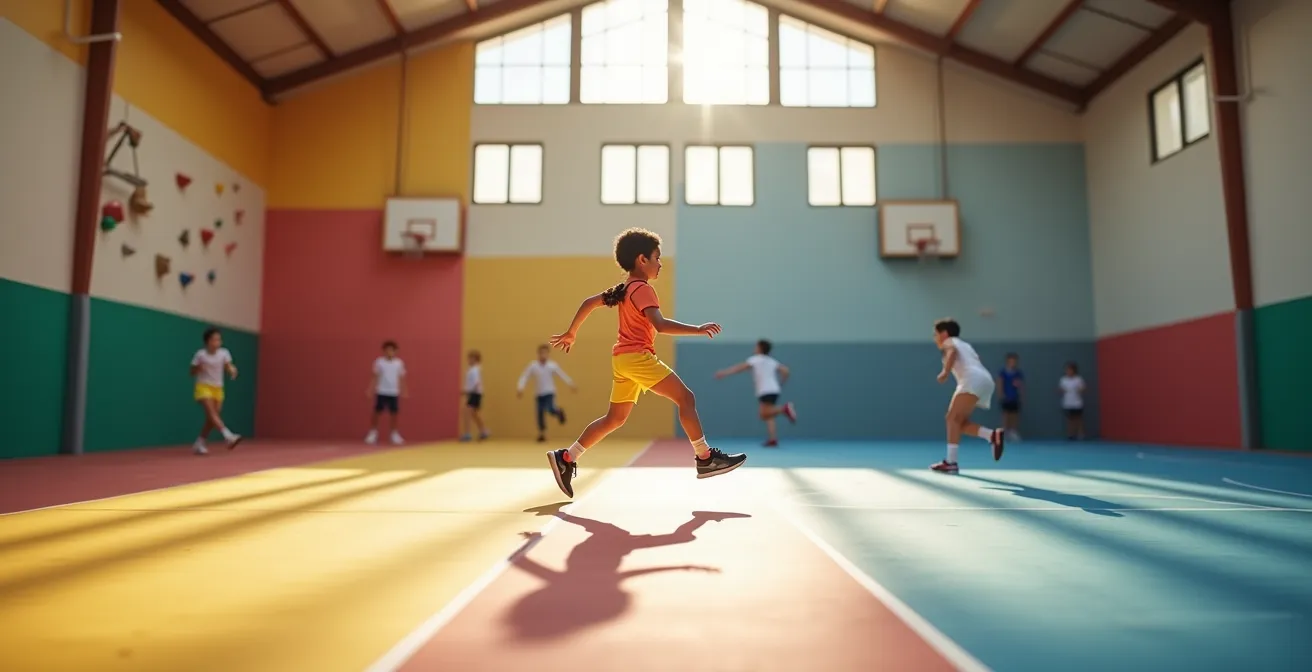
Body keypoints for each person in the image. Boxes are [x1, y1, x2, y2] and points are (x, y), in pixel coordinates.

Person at [544, 227, 747, 498]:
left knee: (615, 418)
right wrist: (697, 329)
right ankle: (705, 457)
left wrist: (572, 332)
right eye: (657, 257)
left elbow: (589, 302)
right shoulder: (642, 289)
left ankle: (567, 458)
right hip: (638, 358)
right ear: (642, 260)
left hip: (622, 360)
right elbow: (660, 326)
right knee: (686, 398)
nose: (660, 263)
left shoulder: (624, 288)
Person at [930, 318, 1004, 474]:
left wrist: (944, 372)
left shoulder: (949, 342)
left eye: (936, 334)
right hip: (984, 380)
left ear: (944, 333)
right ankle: (992, 436)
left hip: (972, 379)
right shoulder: (965, 345)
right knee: (958, 423)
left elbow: (952, 352)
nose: (934, 337)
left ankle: (951, 462)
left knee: (951, 418)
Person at [714, 339, 796, 446]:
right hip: (774, 389)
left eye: (756, 346)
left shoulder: (755, 359)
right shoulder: (771, 361)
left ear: (760, 348)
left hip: (765, 390)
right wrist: (781, 383)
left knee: (763, 414)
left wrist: (724, 373)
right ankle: (773, 439)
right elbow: (786, 371)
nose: (754, 348)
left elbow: (740, 367)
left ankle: (784, 409)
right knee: (769, 414)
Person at [190, 327, 242, 455]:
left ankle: (199, 442)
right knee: (212, 414)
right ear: (208, 341)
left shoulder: (224, 353)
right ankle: (228, 436)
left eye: (219, 339)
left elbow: (228, 365)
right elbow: (191, 372)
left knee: (212, 418)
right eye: (215, 339)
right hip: (203, 387)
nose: (218, 342)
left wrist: (232, 370)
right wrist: (198, 368)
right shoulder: (200, 355)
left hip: (218, 388)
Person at [517, 345, 575, 442]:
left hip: (549, 392)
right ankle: (542, 434)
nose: (543, 355)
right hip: (539, 393)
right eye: (541, 353)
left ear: (548, 354)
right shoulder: (533, 366)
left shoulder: (552, 365)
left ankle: (558, 412)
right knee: (539, 413)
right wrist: (520, 388)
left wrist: (570, 383)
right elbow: (525, 376)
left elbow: (561, 374)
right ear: (538, 354)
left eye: (545, 353)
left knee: (550, 408)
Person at [364, 340, 406, 445]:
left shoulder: (399, 363)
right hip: (381, 391)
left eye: (391, 350)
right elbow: (375, 376)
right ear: (384, 351)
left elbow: (401, 377)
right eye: (387, 350)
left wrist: (404, 390)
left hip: (394, 392)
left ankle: (394, 434)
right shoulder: (379, 362)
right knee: (377, 412)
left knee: (394, 413)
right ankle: (373, 433)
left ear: (395, 351)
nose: (389, 352)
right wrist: (370, 389)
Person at [461, 349, 489, 442]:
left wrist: (466, 391)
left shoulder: (474, 370)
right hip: (476, 393)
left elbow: (476, 383)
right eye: (468, 358)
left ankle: (467, 434)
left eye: (471, 358)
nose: (468, 360)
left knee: (466, 411)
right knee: (474, 413)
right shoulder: (472, 370)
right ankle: (484, 431)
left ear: (476, 360)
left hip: (475, 393)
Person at [996, 352, 1024, 441]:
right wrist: (1001, 395)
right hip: (1006, 397)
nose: (1013, 363)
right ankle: (1005, 432)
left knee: (1014, 415)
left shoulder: (1018, 373)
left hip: (1015, 397)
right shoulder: (1003, 372)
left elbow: (1021, 385)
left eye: (1014, 361)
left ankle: (1013, 432)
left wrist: (1022, 394)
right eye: (1011, 361)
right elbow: (1000, 383)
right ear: (1007, 362)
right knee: (1006, 415)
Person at [1058, 362, 1087, 440]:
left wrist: (1080, 390)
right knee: (1070, 419)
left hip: (1077, 402)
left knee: (1078, 418)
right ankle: (1071, 434)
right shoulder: (1063, 379)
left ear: (1074, 370)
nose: (1068, 371)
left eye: (1070, 370)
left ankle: (1081, 434)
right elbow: (1060, 389)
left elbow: (1083, 388)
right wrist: (1061, 390)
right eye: (1067, 370)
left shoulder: (1078, 379)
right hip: (1067, 402)